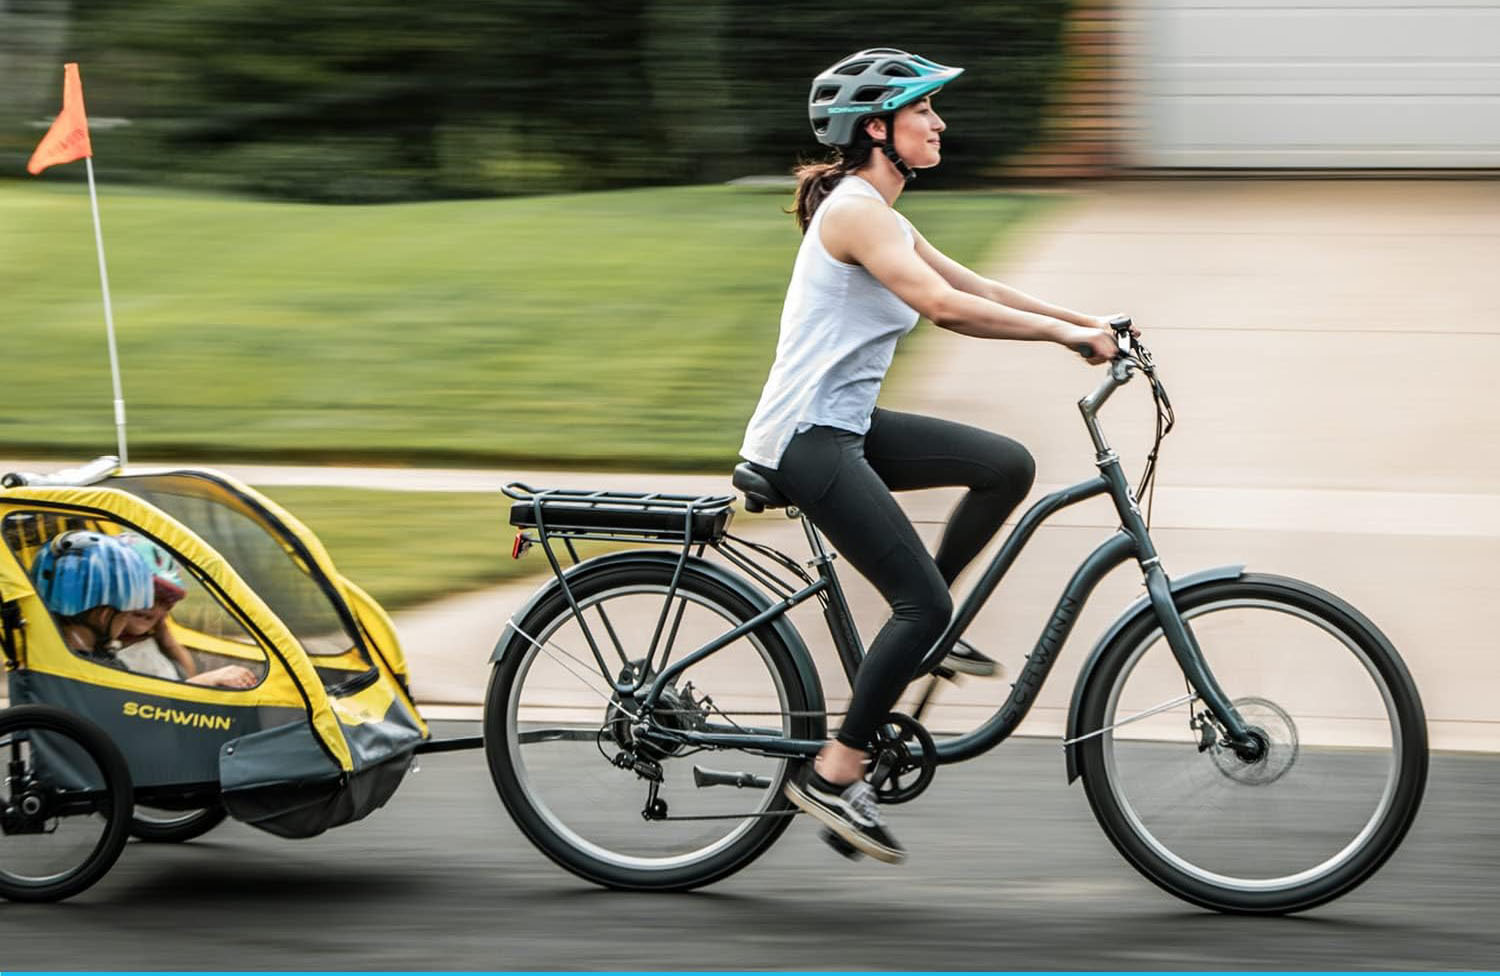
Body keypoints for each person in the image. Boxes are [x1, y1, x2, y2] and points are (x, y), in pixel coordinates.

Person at [739, 48, 1138, 863]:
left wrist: (1089, 319)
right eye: (924, 111)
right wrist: (1067, 339)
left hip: (845, 425)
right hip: (805, 442)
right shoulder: (854, 212)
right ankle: (833, 773)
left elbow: (981, 287)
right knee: (922, 604)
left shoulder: (882, 213)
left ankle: (927, 631)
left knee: (1005, 465)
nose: (940, 123)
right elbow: (946, 308)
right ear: (877, 128)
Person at [31, 530, 257, 689]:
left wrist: (167, 639)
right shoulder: (96, 666)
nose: (149, 607)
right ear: (104, 614)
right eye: (132, 604)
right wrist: (207, 680)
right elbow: (141, 709)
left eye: (164, 602)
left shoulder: (97, 653)